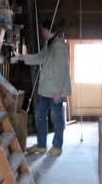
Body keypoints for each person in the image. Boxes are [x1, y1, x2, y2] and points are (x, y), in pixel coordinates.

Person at [10, 20, 71, 157]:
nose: (42, 32)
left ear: (47, 29)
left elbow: (62, 70)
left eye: (43, 29)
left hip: (54, 91)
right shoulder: (49, 45)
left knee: (56, 119)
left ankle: (57, 146)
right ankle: (41, 145)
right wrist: (21, 57)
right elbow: (39, 57)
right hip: (45, 90)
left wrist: (57, 91)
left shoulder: (58, 46)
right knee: (39, 116)